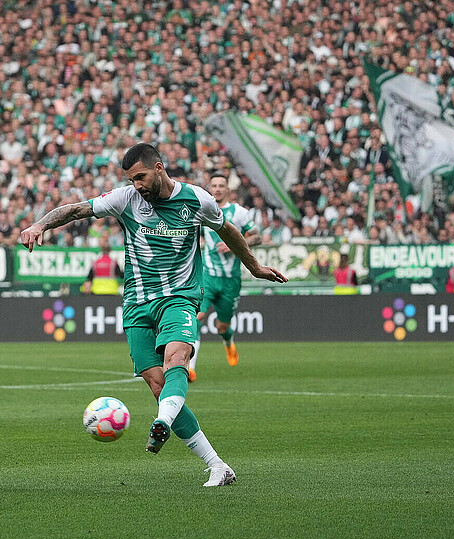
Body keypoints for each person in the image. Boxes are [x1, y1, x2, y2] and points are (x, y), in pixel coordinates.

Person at [20, 144, 287, 487]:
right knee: (157, 383)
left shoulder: (196, 199)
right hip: (137, 304)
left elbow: (228, 230)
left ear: (159, 168)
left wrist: (255, 267)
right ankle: (217, 465)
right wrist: (40, 224)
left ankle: (161, 421)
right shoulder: (126, 198)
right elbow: (76, 210)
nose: (138, 186)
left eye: (141, 177)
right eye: (132, 180)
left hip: (180, 297)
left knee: (178, 358)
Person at [190, 173, 260, 381]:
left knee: (223, 326)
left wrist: (234, 245)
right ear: (209, 188)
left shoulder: (239, 213)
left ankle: (229, 343)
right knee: (197, 317)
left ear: (228, 189)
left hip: (231, 280)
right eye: (215, 185)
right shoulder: (203, 211)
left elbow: (257, 237)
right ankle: (190, 368)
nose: (218, 189)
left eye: (222, 185)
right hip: (208, 278)